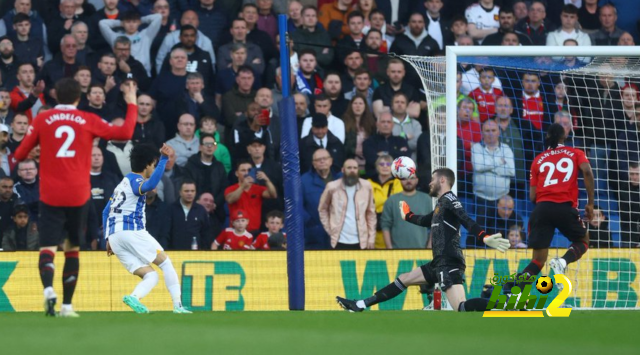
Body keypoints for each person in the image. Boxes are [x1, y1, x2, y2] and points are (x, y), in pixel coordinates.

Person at [13, 77, 137, 317]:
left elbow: (19, 153)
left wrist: (40, 149)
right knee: (72, 249)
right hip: (78, 194)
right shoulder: (87, 119)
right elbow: (125, 132)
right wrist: (131, 103)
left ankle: (48, 289)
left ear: (56, 96)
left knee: (47, 247)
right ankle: (67, 306)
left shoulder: (42, 119)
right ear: (79, 98)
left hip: (50, 194)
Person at [336, 168, 509, 312]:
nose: (429, 183)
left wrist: (484, 237)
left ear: (442, 180)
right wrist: (408, 216)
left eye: (432, 179)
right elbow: (426, 220)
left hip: (449, 262)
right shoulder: (441, 204)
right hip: (439, 261)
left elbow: (467, 219)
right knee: (405, 278)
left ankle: (505, 305)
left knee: (461, 307)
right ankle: (360, 304)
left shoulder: (450, 200)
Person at [104, 143, 191, 314]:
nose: (155, 167)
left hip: (115, 237)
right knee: (166, 263)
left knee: (151, 275)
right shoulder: (137, 180)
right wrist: (164, 160)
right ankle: (178, 306)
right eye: (154, 164)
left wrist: (108, 238)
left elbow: (106, 210)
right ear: (149, 164)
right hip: (132, 231)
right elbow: (150, 185)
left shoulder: (122, 183)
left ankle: (134, 297)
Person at [512, 123, 595, 293]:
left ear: (548, 137)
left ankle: (513, 293)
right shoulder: (575, 153)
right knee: (583, 240)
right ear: (564, 136)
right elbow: (587, 171)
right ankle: (563, 262)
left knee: (538, 260)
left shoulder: (538, 160)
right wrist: (590, 203)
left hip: (542, 209)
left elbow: (532, 197)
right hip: (564, 207)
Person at [318, 158, 376, 250]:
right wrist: (330, 230)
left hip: (361, 241)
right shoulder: (332, 187)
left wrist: (371, 238)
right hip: (338, 240)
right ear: (343, 170)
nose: (352, 170)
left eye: (355, 168)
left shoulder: (366, 186)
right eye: (349, 168)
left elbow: (371, 213)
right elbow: (322, 209)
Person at [225, 160, 277, 234]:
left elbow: (273, 195)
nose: (246, 173)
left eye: (249, 170)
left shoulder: (258, 188)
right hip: (235, 232)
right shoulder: (230, 189)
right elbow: (230, 200)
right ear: (237, 173)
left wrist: (266, 180)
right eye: (243, 170)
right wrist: (243, 186)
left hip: (254, 231)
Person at [368, 154, 402, 249]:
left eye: (388, 164)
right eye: (381, 164)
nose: (385, 166)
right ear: (376, 166)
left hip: (392, 225)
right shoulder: (368, 183)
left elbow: (397, 204)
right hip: (373, 226)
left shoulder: (398, 182)